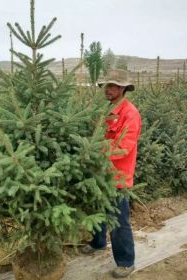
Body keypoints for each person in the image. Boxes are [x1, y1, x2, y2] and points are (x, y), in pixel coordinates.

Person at [82, 69, 141, 278]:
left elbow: (124, 147)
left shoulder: (130, 113)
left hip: (118, 175)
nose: (108, 89)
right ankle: (98, 243)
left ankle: (126, 261)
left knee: (118, 219)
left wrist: (95, 150)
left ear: (123, 89)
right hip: (100, 171)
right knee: (98, 209)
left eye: (114, 86)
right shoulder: (108, 109)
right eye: (107, 85)